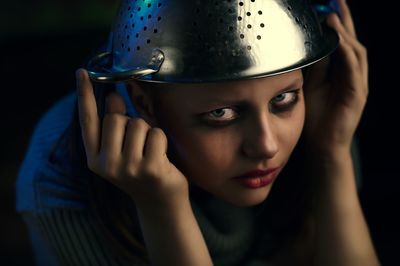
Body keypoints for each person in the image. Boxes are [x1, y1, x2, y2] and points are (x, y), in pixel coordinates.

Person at [16, 0, 380, 265]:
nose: (267, 146)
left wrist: (331, 152)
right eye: (220, 113)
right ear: (144, 104)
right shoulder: (57, 175)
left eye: (283, 98)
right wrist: (163, 209)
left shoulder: (319, 117)